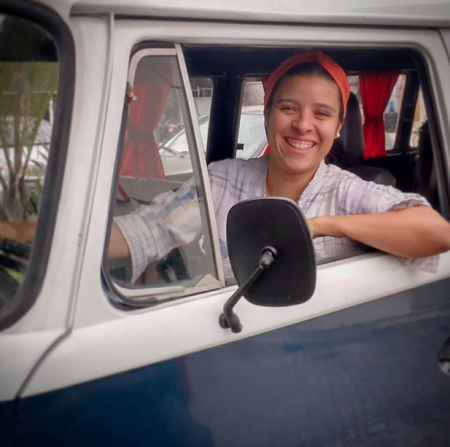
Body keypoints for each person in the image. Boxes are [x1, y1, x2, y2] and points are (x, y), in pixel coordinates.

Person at [2, 52, 450, 284]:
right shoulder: (224, 179)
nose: (302, 125)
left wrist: (317, 225)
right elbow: (143, 232)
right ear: (269, 114)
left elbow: (435, 232)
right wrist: (23, 235)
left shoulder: (348, 192)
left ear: (337, 129)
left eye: (322, 114)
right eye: (288, 108)